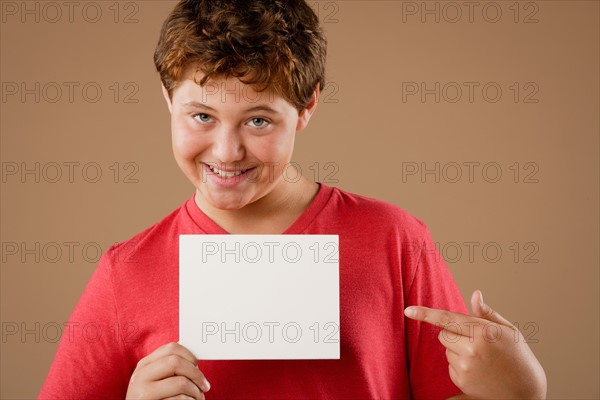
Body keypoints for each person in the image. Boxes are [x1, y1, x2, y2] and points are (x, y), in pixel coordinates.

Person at [38, 0, 547, 398]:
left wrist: (522, 391)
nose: (227, 150)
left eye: (259, 120)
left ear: (307, 106)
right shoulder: (125, 271)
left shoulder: (395, 239)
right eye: (201, 116)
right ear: (168, 100)